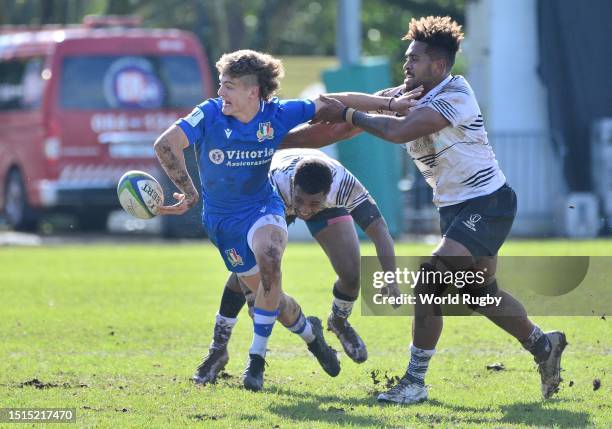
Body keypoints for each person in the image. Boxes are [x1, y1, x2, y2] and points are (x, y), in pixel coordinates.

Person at [286, 16, 567, 404]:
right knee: (477, 294)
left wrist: (349, 113)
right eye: (407, 59)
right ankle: (543, 345)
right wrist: (277, 142)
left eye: (414, 59)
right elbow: (339, 124)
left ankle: (414, 382)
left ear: (438, 65)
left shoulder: (455, 94)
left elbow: (396, 131)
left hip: (487, 202)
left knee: (429, 281)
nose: (406, 66)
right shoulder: (407, 94)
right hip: (455, 209)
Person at [153, 50, 339, 392]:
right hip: (223, 222)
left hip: (262, 208)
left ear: (252, 91)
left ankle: (255, 361)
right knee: (273, 301)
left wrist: (387, 105)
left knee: (271, 261)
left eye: (229, 86)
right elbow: (166, 145)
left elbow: (329, 103)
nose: (220, 92)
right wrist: (189, 193)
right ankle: (311, 335)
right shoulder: (209, 113)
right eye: (221, 84)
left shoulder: (277, 113)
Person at [193, 148, 403, 384]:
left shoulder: (343, 185)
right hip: (276, 202)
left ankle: (338, 321)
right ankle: (218, 349)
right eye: (301, 201)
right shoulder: (271, 182)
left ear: (328, 191)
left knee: (352, 274)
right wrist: (253, 294)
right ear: (293, 184)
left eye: (313, 203)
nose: (304, 210)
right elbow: (245, 260)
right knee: (248, 271)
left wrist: (391, 279)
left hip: (323, 206)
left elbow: (380, 232)